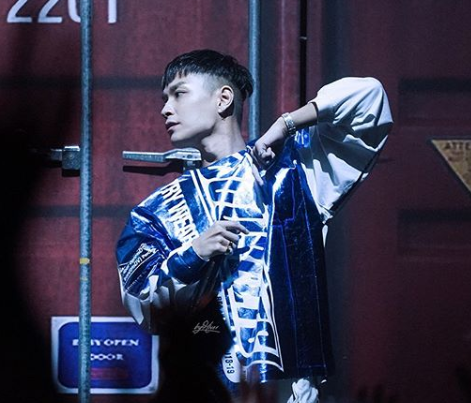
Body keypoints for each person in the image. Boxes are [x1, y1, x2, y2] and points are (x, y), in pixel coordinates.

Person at [115, 49, 393, 402]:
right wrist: (194, 254)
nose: (165, 109)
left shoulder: (295, 168)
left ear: (223, 99)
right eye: (164, 99)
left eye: (179, 94)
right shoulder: (157, 211)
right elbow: (144, 305)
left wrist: (286, 124)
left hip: (289, 390)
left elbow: (369, 99)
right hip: (206, 388)